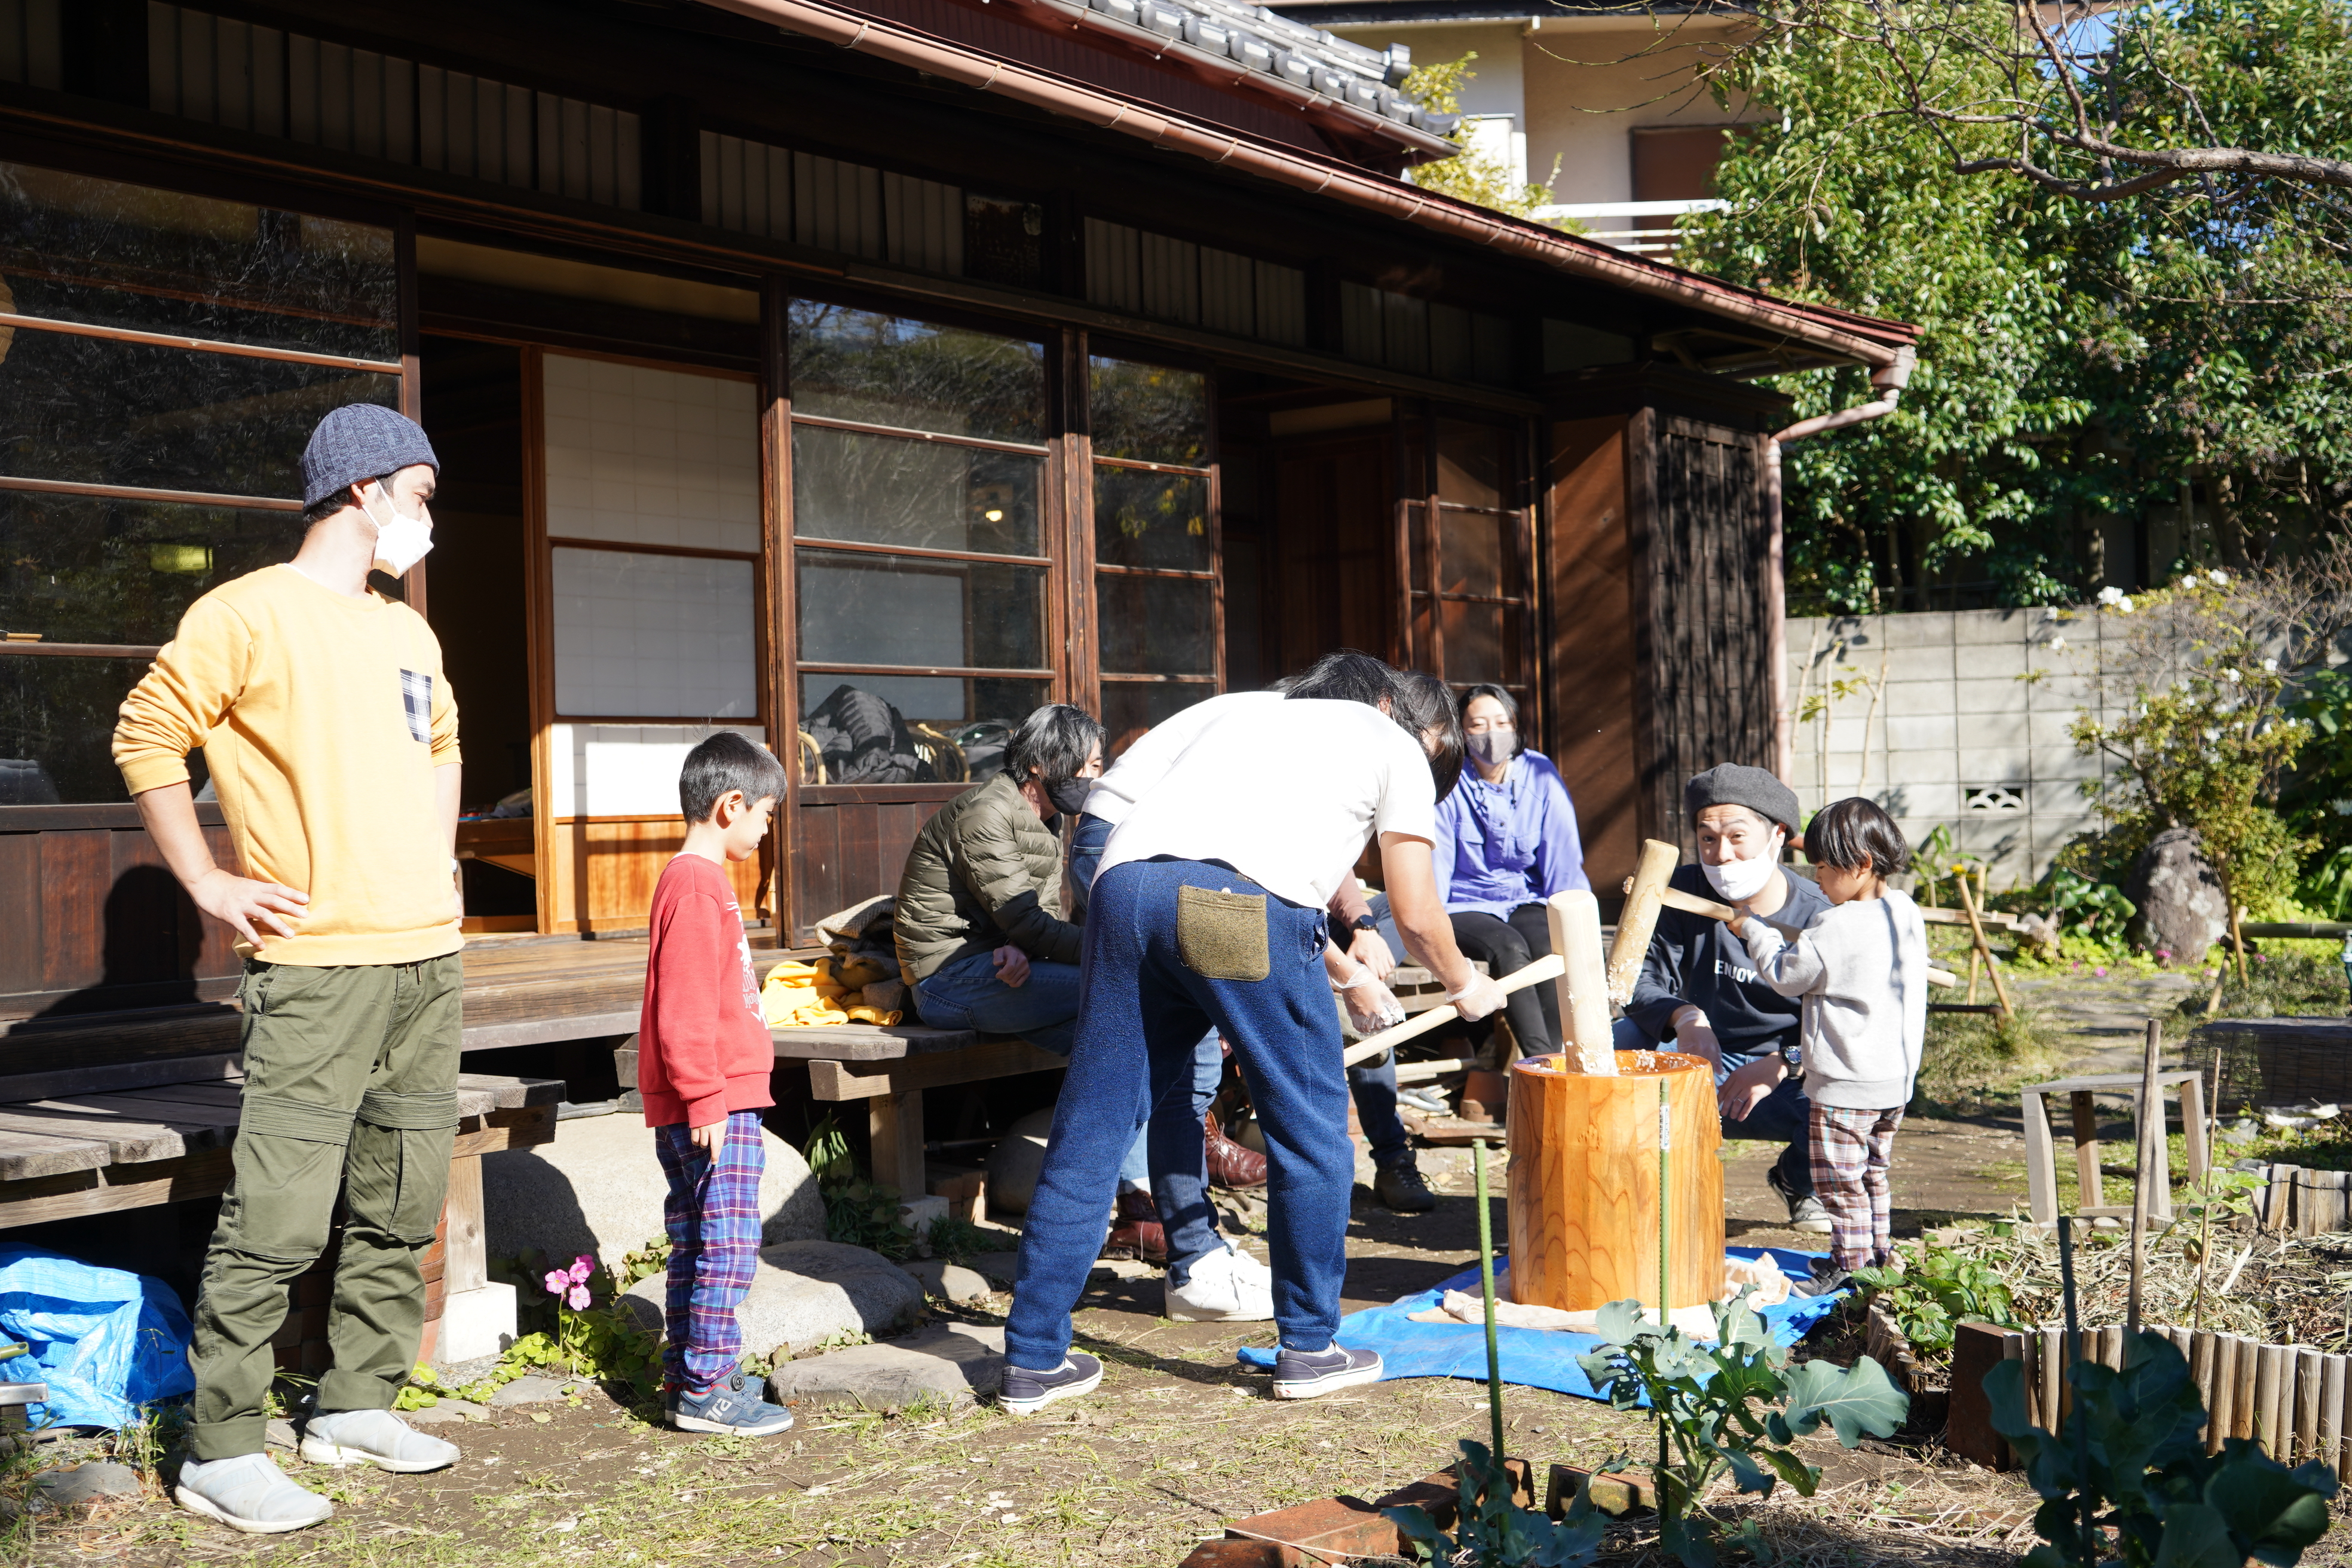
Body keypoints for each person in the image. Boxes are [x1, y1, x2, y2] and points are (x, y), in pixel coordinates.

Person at [113, 405, 464, 1533]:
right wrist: (209, 881)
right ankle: (222, 1446)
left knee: (402, 1195)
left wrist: (439, 864)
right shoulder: (248, 611)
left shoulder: (408, 630)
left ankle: (356, 1399)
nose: (427, 516)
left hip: (427, 952)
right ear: (363, 488)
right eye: (421, 491)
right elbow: (144, 734)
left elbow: (444, 743)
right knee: (279, 1211)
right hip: (316, 962)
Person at [997, 675, 1506, 1414]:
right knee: (1308, 1126)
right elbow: (1420, 913)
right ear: (1403, 715)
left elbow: (1140, 815)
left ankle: (1034, 1356)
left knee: (1094, 1122)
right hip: (1231, 905)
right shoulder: (1395, 744)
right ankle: (1309, 1346)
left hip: (1125, 887)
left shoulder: (1249, 710)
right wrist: (1467, 986)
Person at [1069, 651, 1443, 1218]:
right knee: (1184, 1075)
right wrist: (1350, 975)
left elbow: (1307, 869)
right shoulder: (1343, 732)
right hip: (1134, 848)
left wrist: (1362, 927)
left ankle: (1184, 1245)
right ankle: (1173, 1237)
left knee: (1139, 1093)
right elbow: (1267, 885)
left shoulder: (1291, 722)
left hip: (1143, 868)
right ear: (1386, 709)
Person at [639, 733, 797, 1435]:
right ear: (731, 804)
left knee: (696, 1239)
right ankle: (706, 1386)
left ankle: (690, 1373)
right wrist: (705, 1092)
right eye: (765, 815)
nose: (766, 829)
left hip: (702, 1096)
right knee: (728, 1241)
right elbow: (687, 1003)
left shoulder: (688, 879)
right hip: (716, 1099)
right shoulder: (700, 883)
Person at [1620, 764, 1833, 1235]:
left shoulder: (1820, 914)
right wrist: (1685, 1016)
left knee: (1848, 1093)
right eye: (1709, 838)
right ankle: (1626, 1188)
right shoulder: (1678, 891)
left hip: (1787, 1073)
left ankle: (1799, 1181)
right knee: (1619, 1041)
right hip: (1695, 1057)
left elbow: (1838, 1028)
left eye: (1738, 836)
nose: (1722, 854)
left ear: (1778, 834)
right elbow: (1636, 979)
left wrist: (1783, 1061)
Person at [1723, 798, 1927, 1290]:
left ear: (1859, 865)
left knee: (1838, 1183)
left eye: (1822, 866)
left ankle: (1849, 1265)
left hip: (1844, 1085)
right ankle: (1878, 1255)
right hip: (1893, 1080)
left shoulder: (1833, 925)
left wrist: (1752, 930)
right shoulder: (1904, 910)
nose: (1816, 878)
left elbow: (1787, 976)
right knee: (1873, 1173)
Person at [1422, 682, 1587, 1059]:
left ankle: (1568, 1054)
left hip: (1522, 896)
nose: (1491, 733)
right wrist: (1429, 925)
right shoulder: (1447, 779)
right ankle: (1540, 1062)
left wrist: (1575, 917)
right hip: (1464, 902)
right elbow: (1438, 863)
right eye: (1477, 724)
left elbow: (1562, 854)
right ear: (1461, 732)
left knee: (1549, 945)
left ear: (1515, 726)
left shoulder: (1540, 773)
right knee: (1509, 948)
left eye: (1501, 721)